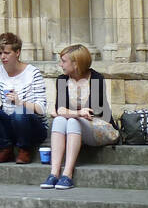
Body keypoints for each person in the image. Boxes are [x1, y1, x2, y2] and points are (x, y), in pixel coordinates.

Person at [42, 43, 118, 190]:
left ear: (76, 63)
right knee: (60, 120)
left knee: (71, 121)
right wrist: (73, 112)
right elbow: (61, 110)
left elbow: (90, 112)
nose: (60, 64)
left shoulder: (96, 78)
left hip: (102, 127)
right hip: (77, 125)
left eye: (64, 61)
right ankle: (54, 173)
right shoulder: (62, 79)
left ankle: (67, 174)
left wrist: (68, 112)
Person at [0, 32, 47, 164]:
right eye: (0, 53)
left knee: (19, 112)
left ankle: (24, 150)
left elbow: (41, 109)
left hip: (33, 126)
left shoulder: (33, 73)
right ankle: (5, 149)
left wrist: (20, 102)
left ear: (17, 52)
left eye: (7, 53)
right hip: (11, 123)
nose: (3, 57)